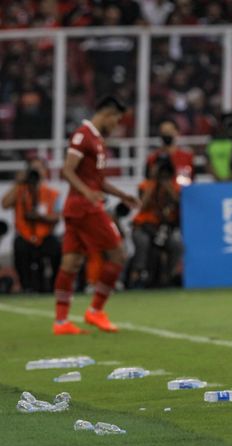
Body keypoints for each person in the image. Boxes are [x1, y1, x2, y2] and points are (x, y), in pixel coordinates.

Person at [52, 96, 140, 335]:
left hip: (76, 208)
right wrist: (88, 193)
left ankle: (61, 322)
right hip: (85, 208)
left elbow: (98, 181)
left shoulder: (97, 140)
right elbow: (67, 170)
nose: (117, 126)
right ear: (107, 114)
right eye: (117, 120)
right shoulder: (83, 135)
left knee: (71, 263)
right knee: (118, 254)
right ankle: (96, 311)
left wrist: (123, 195)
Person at [1, 158, 61, 292]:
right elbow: (4, 204)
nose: (36, 172)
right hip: (25, 235)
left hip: (45, 235)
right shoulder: (20, 190)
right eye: (33, 169)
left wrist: (41, 217)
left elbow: (57, 216)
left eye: (39, 168)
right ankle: (26, 286)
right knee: (19, 246)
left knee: (56, 247)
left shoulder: (52, 193)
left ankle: (53, 286)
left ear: (45, 172)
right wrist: (18, 183)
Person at [129, 153, 183, 288]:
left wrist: (168, 187)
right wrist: (153, 182)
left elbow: (178, 203)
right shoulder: (145, 185)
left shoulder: (174, 185)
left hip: (162, 228)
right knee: (143, 242)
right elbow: (143, 205)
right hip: (143, 226)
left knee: (177, 245)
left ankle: (169, 276)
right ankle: (137, 275)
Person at [145, 119, 194, 186]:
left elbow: (191, 180)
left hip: (182, 193)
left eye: (169, 131)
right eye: (164, 132)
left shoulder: (187, 156)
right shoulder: (152, 157)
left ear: (177, 132)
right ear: (160, 134)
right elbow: (148, 180)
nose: (167, 134)